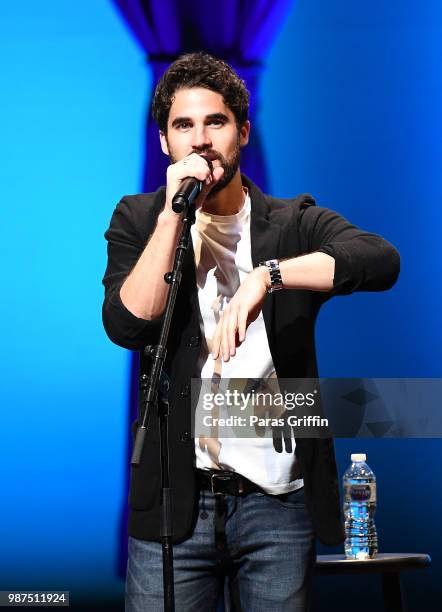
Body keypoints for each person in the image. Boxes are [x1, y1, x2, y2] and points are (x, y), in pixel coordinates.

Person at [102, 52, 400, 611]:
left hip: (276, 507)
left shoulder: (290, 222)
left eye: (215, 122)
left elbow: (380, 260)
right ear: (165, 143)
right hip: (175, 505)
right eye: (182, 126)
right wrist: (172, 217)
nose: (200, 140)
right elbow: (126, 324)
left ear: (242, 129)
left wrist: (270, 276)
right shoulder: (140, 218)